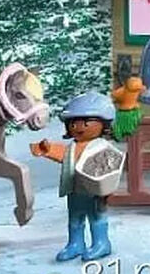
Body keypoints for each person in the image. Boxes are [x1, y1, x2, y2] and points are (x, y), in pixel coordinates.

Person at [32, 91, 123, 262]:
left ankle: (101, 243)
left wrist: (108, 190)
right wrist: (47, 149)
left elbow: (111, 168)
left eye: (86, 122)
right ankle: (75, 244)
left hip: (94, 192)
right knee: (75, 218)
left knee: (96, 217)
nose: (79, 127)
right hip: (74, 190)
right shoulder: (73, 147)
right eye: (73, 123)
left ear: (104, 124)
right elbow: (64, 155)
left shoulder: (102, 146)